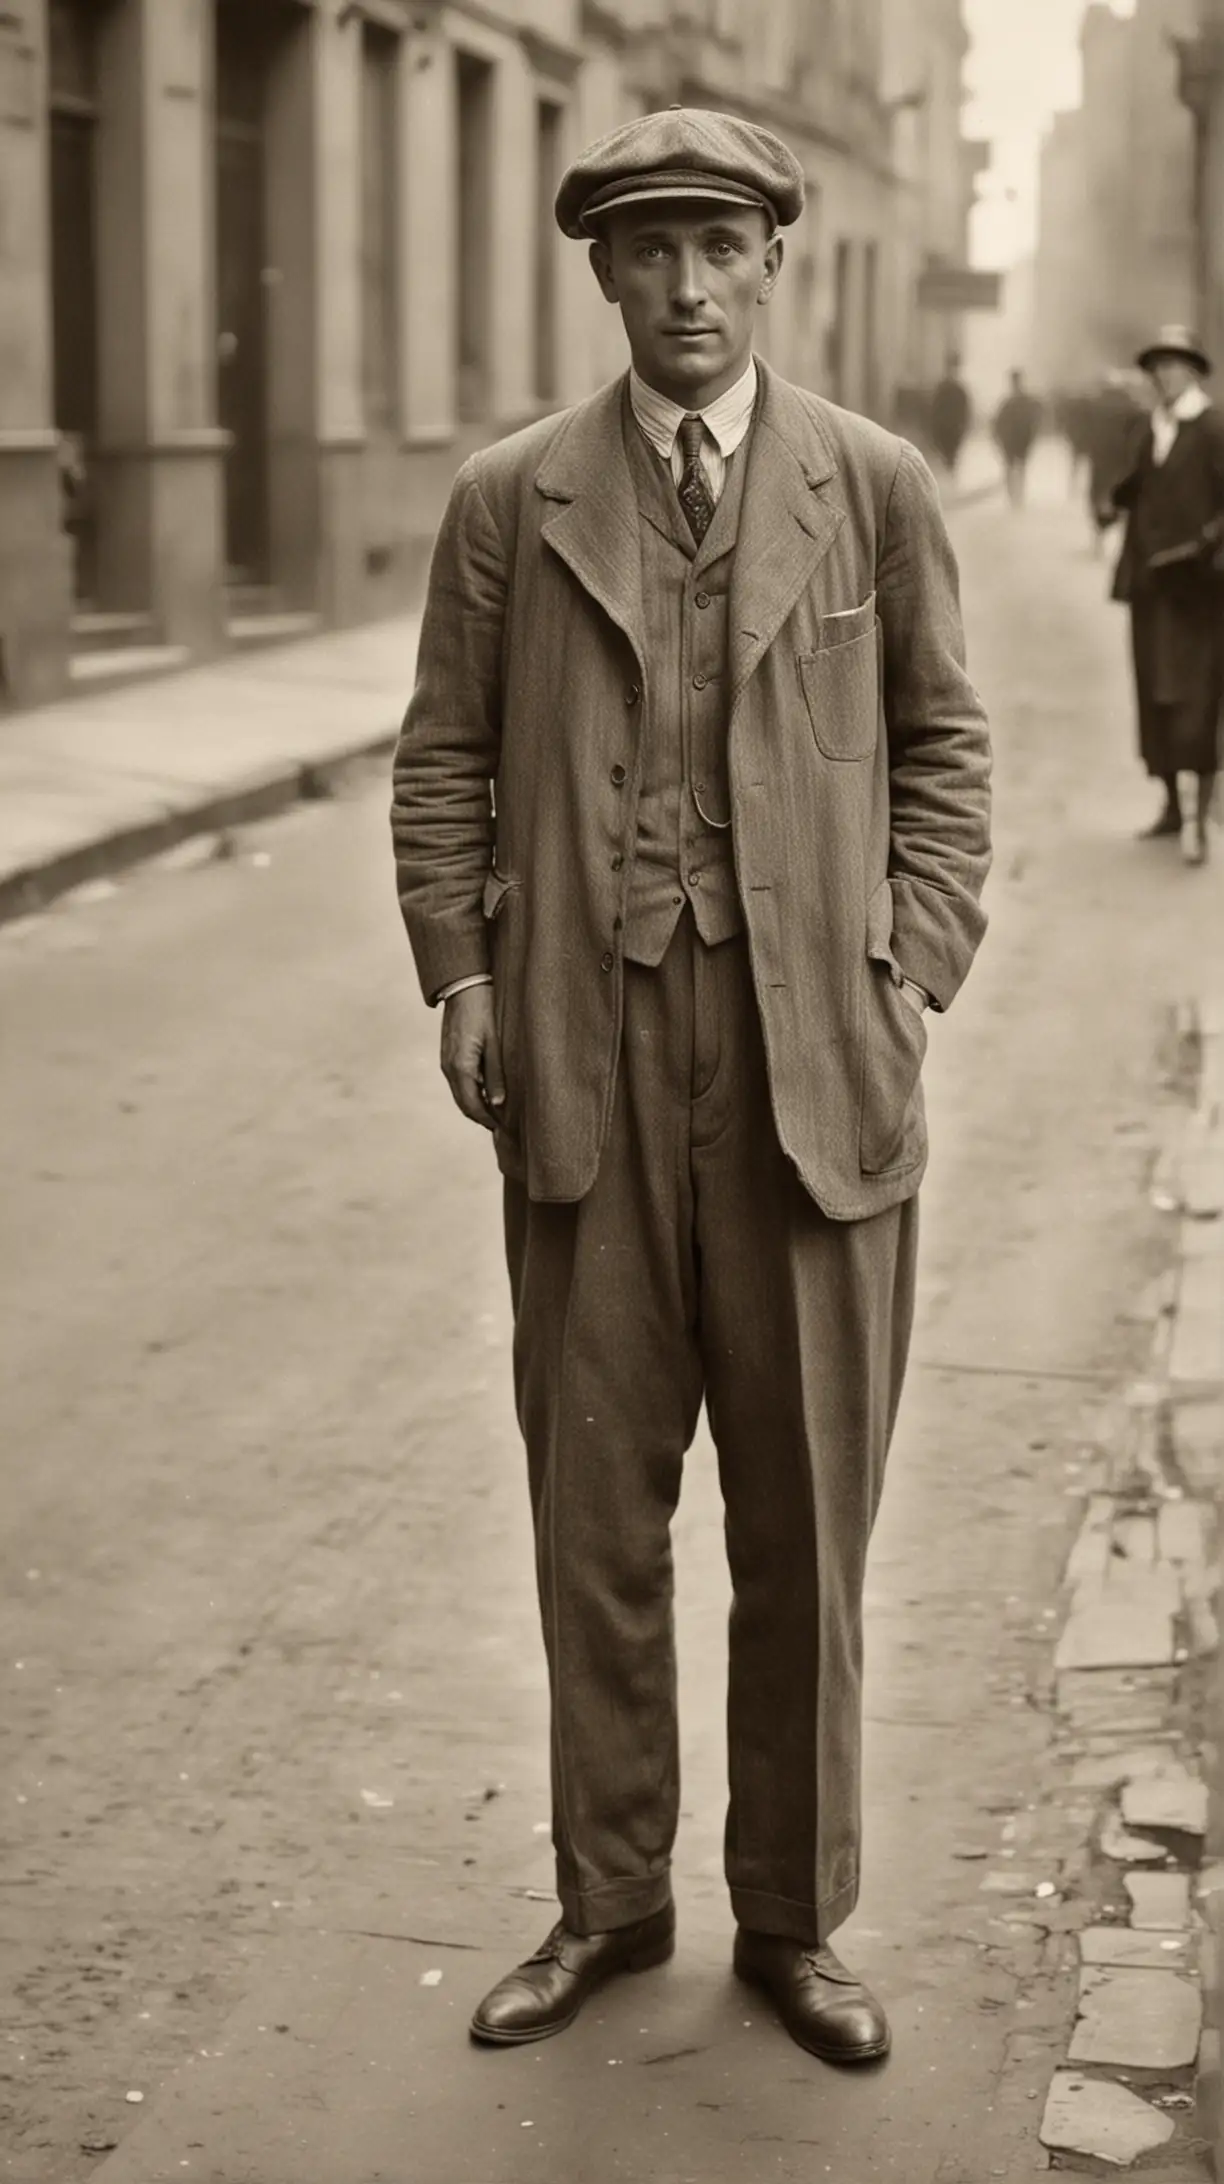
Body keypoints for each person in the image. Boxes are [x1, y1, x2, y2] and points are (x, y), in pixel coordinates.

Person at [390, 107, 992, 2067]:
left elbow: (943, 749)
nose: (688, 286)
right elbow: (445, 764)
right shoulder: (511, 500)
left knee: (805, 1527)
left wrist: (911, 960)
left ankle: (796, 1920)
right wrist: (466, 976)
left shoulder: (873, 489)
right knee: (596, 1514)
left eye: (721, 247)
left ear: (772, 265)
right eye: (649, 250)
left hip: (816, 1070)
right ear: (605, 276)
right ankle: (610, 1899)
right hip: (588, 1060)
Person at [1101, 325, 1224, 863]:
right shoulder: (1151, 429)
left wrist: (1204, 545)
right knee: (1154, 693)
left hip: (1198, 591)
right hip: (1152, 587)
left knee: (1197, 697)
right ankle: (1172, 805)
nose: (1165, 376)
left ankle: (1201, 814)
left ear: (1194, 372)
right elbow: (1135, 486)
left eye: (1176, 366)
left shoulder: (1214, 427)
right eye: (1158, 367)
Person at [992, 370, 1043, 505]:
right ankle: (1014, 495)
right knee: (1013, 467)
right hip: (1011, 441)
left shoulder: (1018, 402)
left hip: (1020, 441)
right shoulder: (1009, 403)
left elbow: (1033, 422)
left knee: (1017, 467)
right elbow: (998, 423)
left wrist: (1031, 438)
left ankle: (1017, 495)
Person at [929, 356, 973, 476]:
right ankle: (949, 476)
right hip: (944, 428)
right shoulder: (944, 388)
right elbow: (934, 409)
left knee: (950, 456)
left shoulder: (957, 389)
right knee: (947, 456)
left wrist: (963, 426)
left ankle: (949, 476)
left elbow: (965, 411)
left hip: (954, 429)